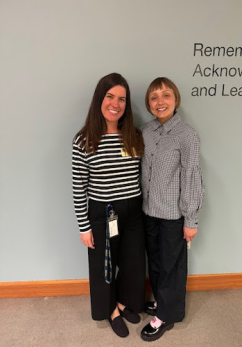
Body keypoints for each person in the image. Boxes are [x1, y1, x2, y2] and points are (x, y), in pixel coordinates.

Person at [72, 73, 145, 338]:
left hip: (133, 211)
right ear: (99, 99)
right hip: (102, 212)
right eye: (110, 97)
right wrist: (84, 226)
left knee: (133, 262)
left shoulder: (134, 137)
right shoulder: (84, 141)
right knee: (103, 266)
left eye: (122, 99)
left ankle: (124, 303)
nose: (116, 104)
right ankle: (110, 310)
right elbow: (79, 187)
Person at [140, 77, 205, 342]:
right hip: (148, 212)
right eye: (154, 97)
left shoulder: (187, 135)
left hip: (173, 216)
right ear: (149, 104)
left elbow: (192, 176)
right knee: (155, 263)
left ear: (175, 100)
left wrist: (191, 219)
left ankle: (166, 316)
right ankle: (163, 303)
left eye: (166, 95)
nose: (160, 102)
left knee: (171, 267)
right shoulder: (146, 131)